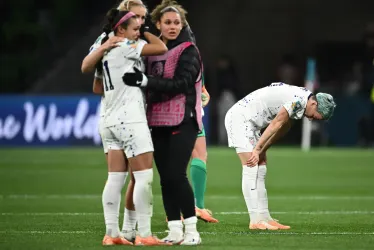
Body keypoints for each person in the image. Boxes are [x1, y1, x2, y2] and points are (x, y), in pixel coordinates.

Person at [82, 8, 169, 246]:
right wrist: (149, 32)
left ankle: (112, 234)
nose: (138, 32)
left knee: (115, 179)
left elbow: (96, 86)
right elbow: (161, 48)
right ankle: (145, 233)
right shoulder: (126, 46)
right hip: (130, 118)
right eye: (135, 28)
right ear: (120, 29)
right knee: (144, 177)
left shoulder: (106, 50)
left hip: (107, 119)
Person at [122, 0, 202, 245]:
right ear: (157, 24)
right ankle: (175, 230)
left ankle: (192, 231)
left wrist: (145, 81)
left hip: (183, 120)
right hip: (156, 120)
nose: (173, 27)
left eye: (177, 22)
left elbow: (181, 84)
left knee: (177, 174)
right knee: (166, 178)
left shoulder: (189, 50)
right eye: (167, 22)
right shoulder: (149, 50)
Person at [224, 82, 336, 230]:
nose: (311, 119)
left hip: (252, 124)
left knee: (261, 166)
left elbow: (284, 127)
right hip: (240, 119)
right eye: (315, 116)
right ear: (314, 103)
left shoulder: (303, 102)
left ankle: (265, 217)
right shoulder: (299, 101)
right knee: (251, 165)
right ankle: (254, 220)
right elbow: (277, 123)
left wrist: (263, 149)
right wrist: (257, 149)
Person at [190, 75, 219, 223]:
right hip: (188, 112)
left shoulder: (160, 57)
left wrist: (202, 90)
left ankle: (179, 209)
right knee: (199, 156)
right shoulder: (191, 56)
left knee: (178, 160)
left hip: (166, 113)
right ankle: (195, 207)